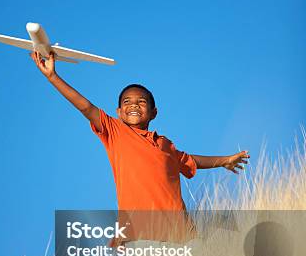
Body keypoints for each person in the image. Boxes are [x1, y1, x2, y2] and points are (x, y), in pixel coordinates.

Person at [30, 51, 250, 245]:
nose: (134, 104)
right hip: (140, 236)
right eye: (127, 102)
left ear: (154, 112)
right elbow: (86, 107)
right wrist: (52, 76)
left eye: (142, 102)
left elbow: (189, 160)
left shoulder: (165, 145)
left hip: (182, 235)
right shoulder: (115, 132)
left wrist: (225, 160)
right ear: (118, 112)